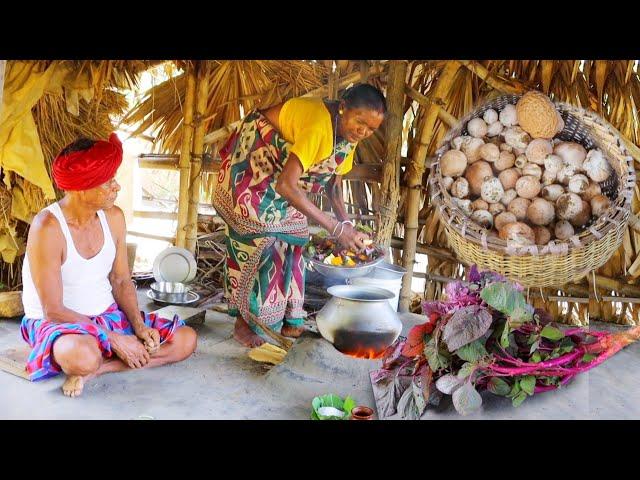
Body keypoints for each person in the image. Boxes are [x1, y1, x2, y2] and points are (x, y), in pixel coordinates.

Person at [20, 133, 197, 397]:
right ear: (82, 188)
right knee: (83, 356)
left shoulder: (113, 217)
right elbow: (53, 310)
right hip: (61, 324)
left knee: (186, 340)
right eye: (108, 182)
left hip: (108, 316)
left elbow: (121, 280)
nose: (117, 187)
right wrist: (114, 339)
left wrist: (138, 326)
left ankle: (100, 370)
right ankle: (93, 363)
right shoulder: (47, 227)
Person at [212, 83, 386, 348]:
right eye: (359, 122)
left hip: (281, 175)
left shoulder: (348, 136)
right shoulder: (319, 127)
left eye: (371, 129)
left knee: (294, 236)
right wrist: (336, 229)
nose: (363, 131)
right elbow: (286, 185)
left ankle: (287, 319)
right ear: (343, 108)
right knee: (259, 238)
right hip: (255, 163)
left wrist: (347, 223)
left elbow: (333, 183)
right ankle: (243, 323)